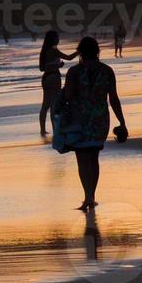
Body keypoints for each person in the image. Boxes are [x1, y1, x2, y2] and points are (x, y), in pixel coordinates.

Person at [54, 37, 127, 213]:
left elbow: (69, 95)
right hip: (100, 119)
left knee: (82, 158)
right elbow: (114, 98)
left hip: (79, 120)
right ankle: (91, 196)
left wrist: (61, 97)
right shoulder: (107, 71)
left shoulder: (74, 72)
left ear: (80, 52)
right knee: (93, 158)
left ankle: (87, 196)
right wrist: (122, 122)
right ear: (97, 51)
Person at [38, 31, 77, 135]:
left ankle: (42, 130)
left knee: (45, 105)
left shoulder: (44, 51)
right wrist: (79, 51)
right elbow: (69, 57)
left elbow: (42, 68)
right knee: (54, 104)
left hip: (46, 78)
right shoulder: (53, 50)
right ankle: (55, 130)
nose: (58, 39)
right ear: (53, 39)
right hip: (54, 78)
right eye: (57, 37)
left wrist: (57, 65)